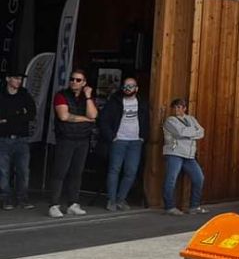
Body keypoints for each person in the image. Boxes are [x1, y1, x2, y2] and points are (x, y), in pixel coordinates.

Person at [49, 68, 98, 218]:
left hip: (82, 139)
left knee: (77, 172)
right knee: (60, 172)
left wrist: (88, 97)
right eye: (72, 79)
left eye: (78, 80)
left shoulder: (87, 98)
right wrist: (85, 119)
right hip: (66, 138)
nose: (74, 82)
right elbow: (64, 116)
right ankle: (54, 204)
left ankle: (73, 203)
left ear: (84, 83)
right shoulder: (61, 95)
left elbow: (93, 115)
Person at [98, 76, 150, 211]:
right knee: (114, 170)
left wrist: (143, 137)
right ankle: (111, 200)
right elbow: (103, 120)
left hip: (135, 142)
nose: (128, 88)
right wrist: (112, 137)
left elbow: (146, 120)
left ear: (136, 88)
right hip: (119, 140)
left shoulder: (142, 103)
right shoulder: (114, 101)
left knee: (131, 171)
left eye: (131, 86)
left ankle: (121, 199)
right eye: (125, 86)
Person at [162, 98, 206, 216]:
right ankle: (169, 207)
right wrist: (194, 132)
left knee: (199, 178)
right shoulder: (170, 120)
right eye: (174, 107)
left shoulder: (191, 119)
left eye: (179, 107)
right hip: (174, 152)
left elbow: (202, 132)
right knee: (171, 179)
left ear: (184, 108)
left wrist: (189, 132)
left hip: (189, 154)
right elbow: (180, 132)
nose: (176, 109)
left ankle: (194, 206)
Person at [0, 68, 36, 210]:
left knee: (23, 170)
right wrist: (19, 113)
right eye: (16, 78)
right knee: (3, 171)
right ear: (8, 79)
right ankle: (6, 199)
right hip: (3, 138)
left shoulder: (24, 94)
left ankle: (22, 199)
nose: (19, 81)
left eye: (20, 79)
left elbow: (32, 114)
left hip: (22, 139)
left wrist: (8, 119)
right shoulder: (1, 94)